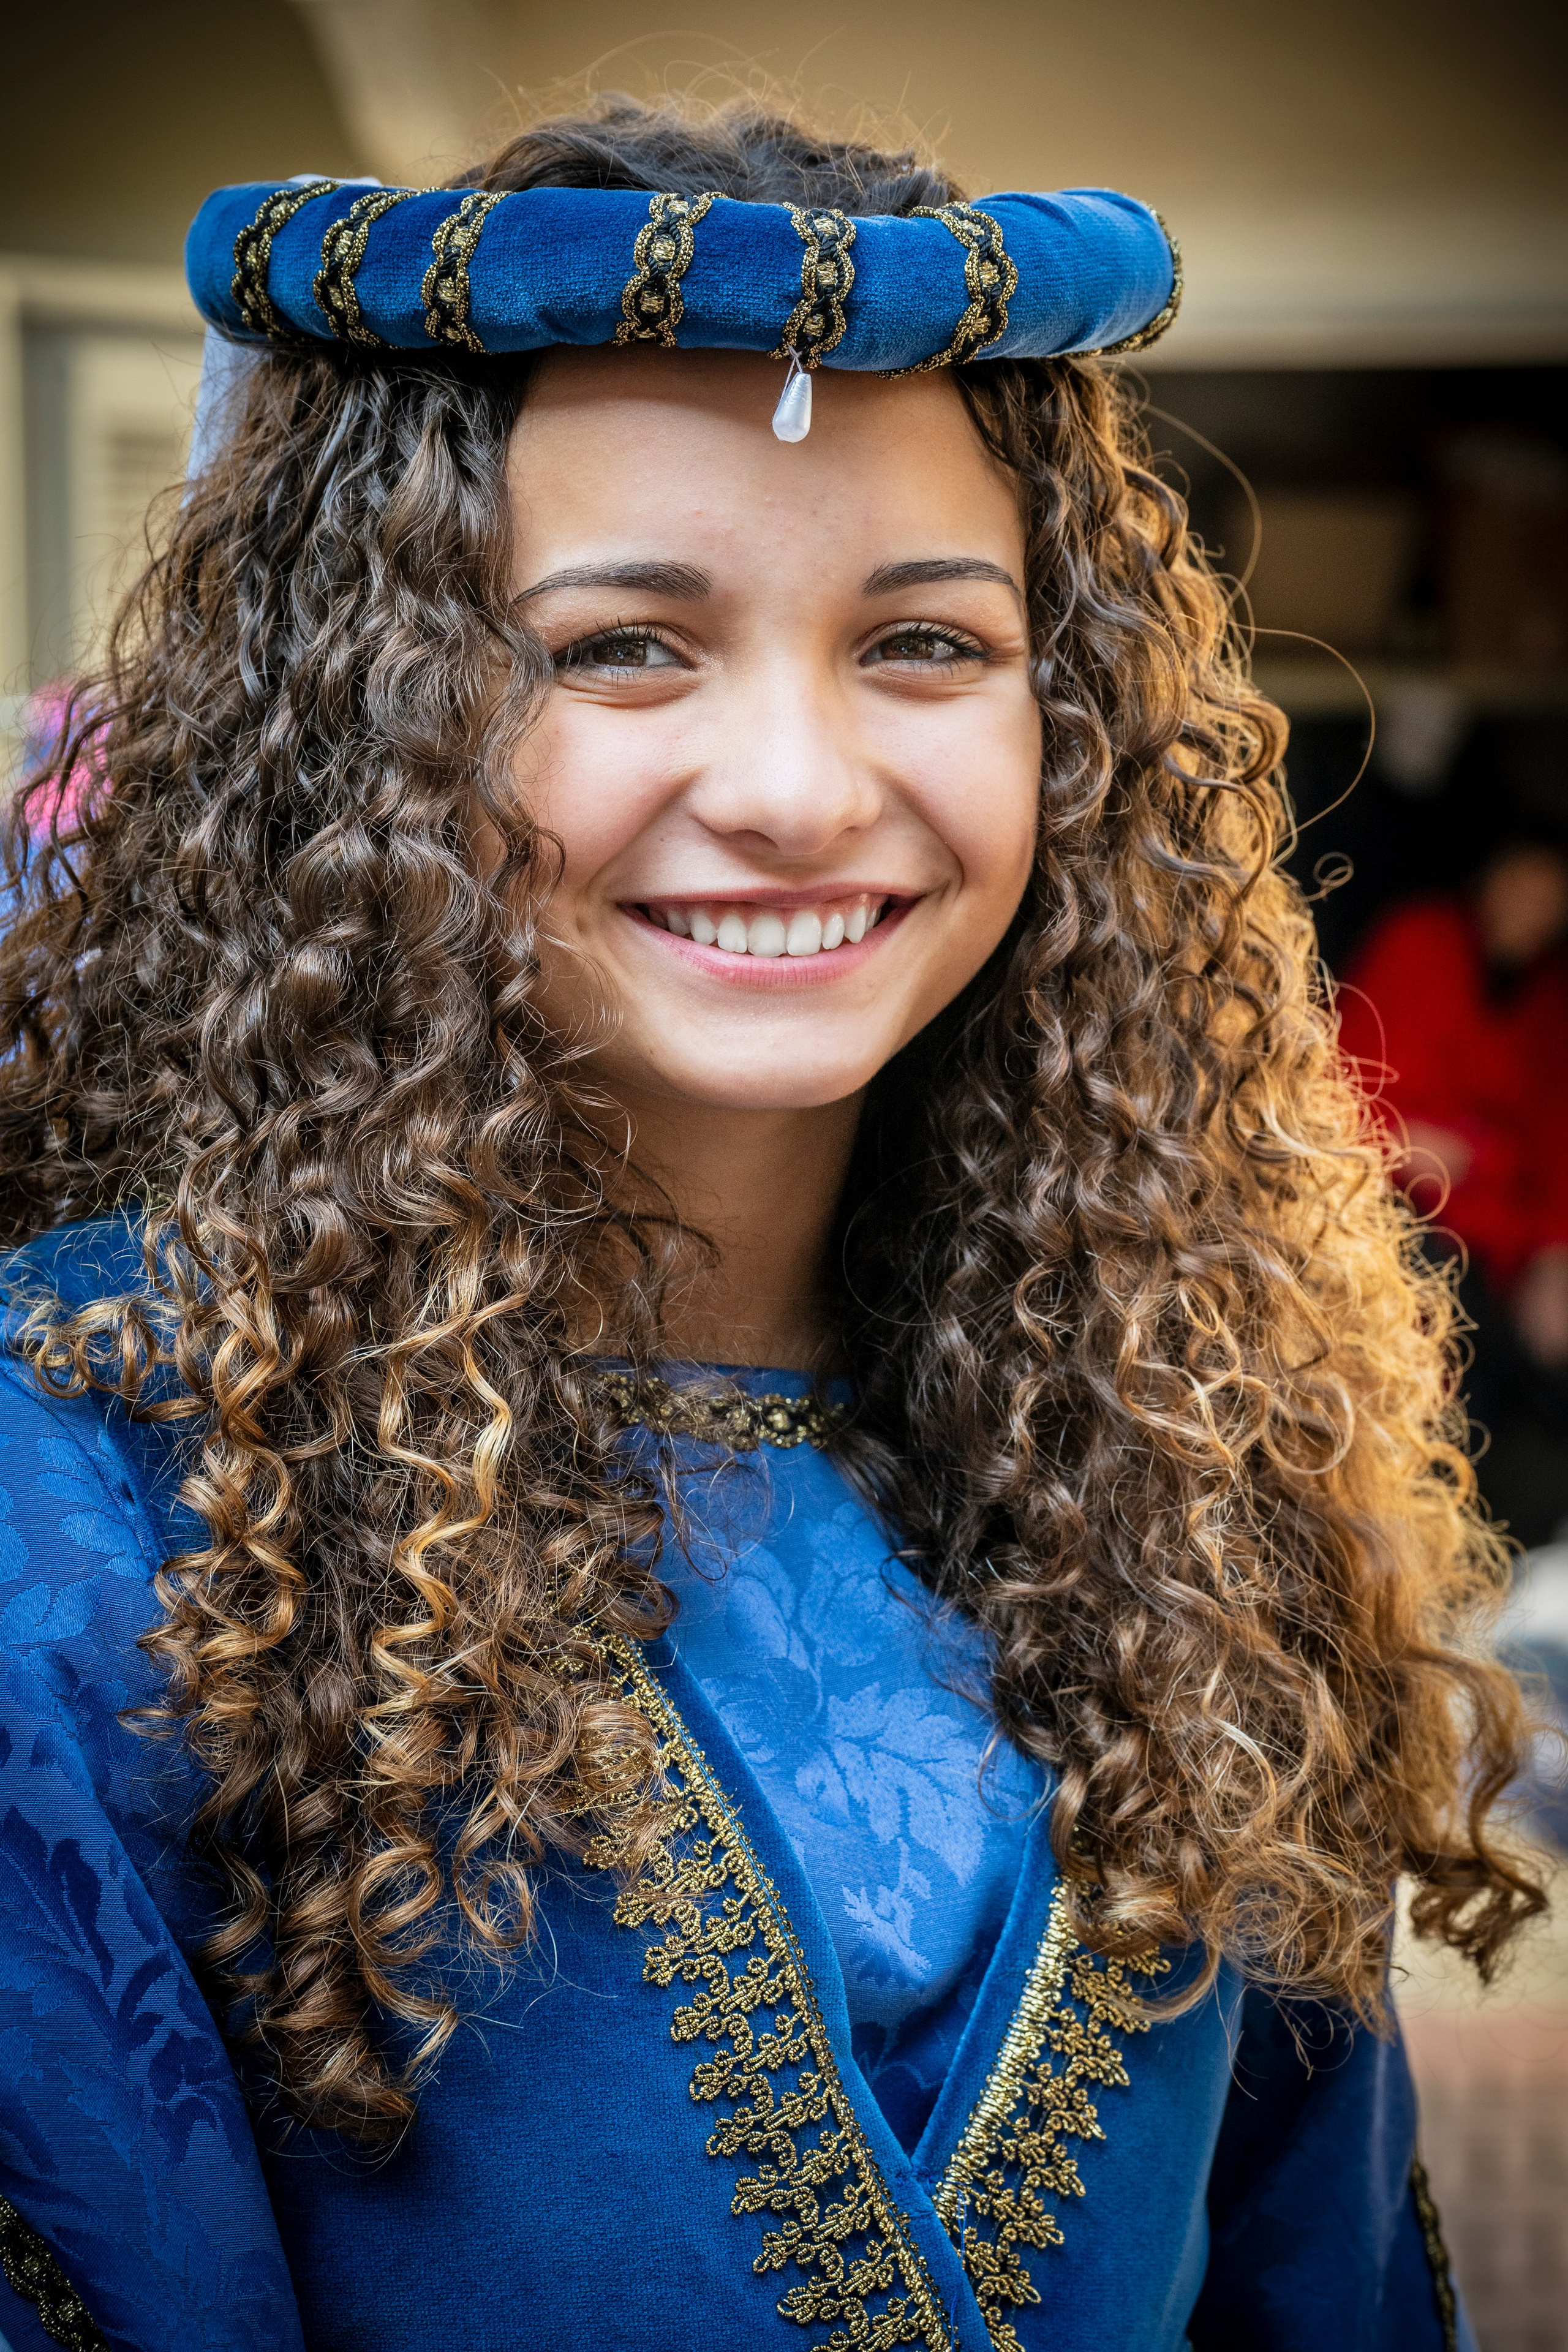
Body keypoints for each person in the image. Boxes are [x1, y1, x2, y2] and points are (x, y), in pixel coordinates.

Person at [0, 96, 1540, 2352]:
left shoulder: (1201, 1465)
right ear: (368, 728)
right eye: (624, 646)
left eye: (924, 643)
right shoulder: (76, 1492)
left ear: (1069, 720)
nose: (802, 789)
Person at [1340, 834, 1568, 1541]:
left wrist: (1554, 1255)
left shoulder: (1550, 1003)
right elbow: (1338, 1081)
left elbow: (1552, 1148)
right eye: (1519, 887)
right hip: (1383, 1204)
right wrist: (1397, 1139)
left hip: (1492, 1237)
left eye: (1547, 902)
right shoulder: (1418, 943)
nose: (1527, 912)